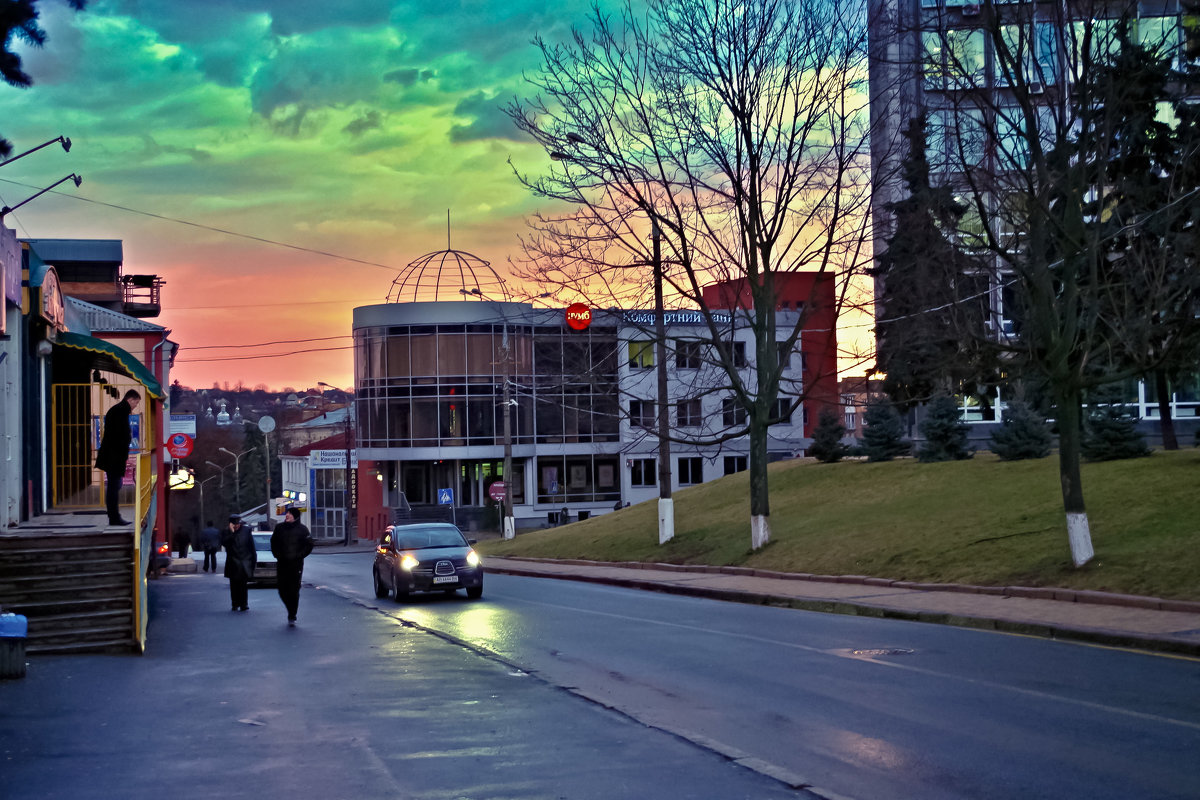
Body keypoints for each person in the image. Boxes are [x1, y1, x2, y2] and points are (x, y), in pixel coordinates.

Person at [94, 389, 141, 526]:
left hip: (113, 455)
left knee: (115, 486)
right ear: (130, 400)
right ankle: (114, 517)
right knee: (114, 487)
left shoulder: (117, 410)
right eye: (136, 403)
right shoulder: (120, 411)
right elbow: (120, 435)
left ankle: (114, 516)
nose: (135, 406)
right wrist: (122, 452)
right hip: (114, 456)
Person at [270, 506, 314, 627]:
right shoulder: (279, 528)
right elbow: (273, 542)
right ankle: (290, 608)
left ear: (295, 516)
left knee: (294, 590)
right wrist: (277, 554)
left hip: (296, 565)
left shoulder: (302, 530)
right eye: (287, 513)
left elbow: (309, 545)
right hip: (282, 563)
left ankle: (292, 614)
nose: (287, 515)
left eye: (290, 514)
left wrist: (299, 555)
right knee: (282, 589)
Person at [220, 514, 256, 612]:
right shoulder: (226, 531)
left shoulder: (246, 530)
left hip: (244, 560)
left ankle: (244, 604)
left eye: (238, 524)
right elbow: (224, 543)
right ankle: (235, 603)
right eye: (234, 524)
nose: (237, 526)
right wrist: (232, 533)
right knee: (234, 584)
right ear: (230, 524)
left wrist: (253, 561)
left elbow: (251, 547)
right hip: (233, 561)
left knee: (243, 584)